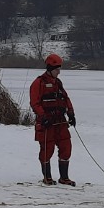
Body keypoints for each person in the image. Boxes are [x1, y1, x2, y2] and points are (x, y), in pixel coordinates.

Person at [29, 53, 76, 185]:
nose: (59, 72)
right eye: (57, 69)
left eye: (59, 69)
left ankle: (64, 178)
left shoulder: (58, 83)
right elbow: (35, 103)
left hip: (60, 121)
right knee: (47, 150)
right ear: (50, 68)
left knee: (66, 147)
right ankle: (47, 177)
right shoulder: (38, 83)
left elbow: (66, 98)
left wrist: (71, 113)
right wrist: (43, 117)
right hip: (46, 123)